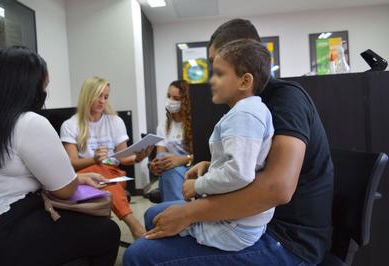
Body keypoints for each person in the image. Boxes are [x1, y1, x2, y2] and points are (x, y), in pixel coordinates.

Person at [123, 18, 333, 266]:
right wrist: (211, 165)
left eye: (219, 69)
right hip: (254, 220)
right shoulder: (248, 104)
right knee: (154, 215)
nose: (212, 78)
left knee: (139, 255)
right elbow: (255, 162)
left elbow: (277, 188)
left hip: (287, 238)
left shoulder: (286, 100)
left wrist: (190, 210)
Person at [0, 46, 120, 266]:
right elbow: (64, 190)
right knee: (107, 231)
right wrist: (74, 179)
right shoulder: (30, 123)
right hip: (7, 227)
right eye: (44, 86)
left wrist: (78, 177)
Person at [179, 39, 274, 251]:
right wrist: (210, 165)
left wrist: (197, 186)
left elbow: (239, 172)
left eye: (219, 74)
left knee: (158, 223)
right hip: (240, 221)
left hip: (233, 227)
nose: (212, 81)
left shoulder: (244, 114)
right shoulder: (250, 111)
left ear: (244, 81)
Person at [60, 76, 152, 239]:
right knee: (97, 171)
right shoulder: (70, 125)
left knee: (103, 172)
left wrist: (138, 158)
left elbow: (123, 158)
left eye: (106, 97)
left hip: (114, 174)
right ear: (87, 95)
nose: (103, 101)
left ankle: (123, 229)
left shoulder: (115, 121)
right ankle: (133, 224)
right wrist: (93, 160)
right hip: (85, 175)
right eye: (99, 96)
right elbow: (72, 164)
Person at [149, 80, 194, 201]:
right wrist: (155, 165)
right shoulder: (163, 125)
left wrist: (182, 159)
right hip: (170, 168)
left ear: (185, 101)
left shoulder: (195, 122)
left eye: (176, 98)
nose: (170, 101)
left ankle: (176, 211)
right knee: (168, 168)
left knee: (171, 171)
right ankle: (178, 210)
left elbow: (204, 156)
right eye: (169, 96)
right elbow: (160, 154)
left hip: (192, 167)